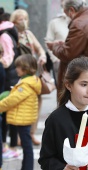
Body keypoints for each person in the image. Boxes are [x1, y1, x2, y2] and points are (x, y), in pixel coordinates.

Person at [38, 56, 88, 170]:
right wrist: (62, 168)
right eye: (84, 84)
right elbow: (46, 159)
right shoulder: (55, 120)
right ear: (69, 85)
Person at [46, 0, 88, 102]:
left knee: (79, 116)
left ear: (71, 10)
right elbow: (83, 48)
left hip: (83, 83)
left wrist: (54, 46)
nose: (67, 17)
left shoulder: (79, 23)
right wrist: (63, 45)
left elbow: (67, 54)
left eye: (66, 13)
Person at [10, 9, 46, 145]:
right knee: (20, 104)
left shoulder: (28, 34)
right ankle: (20, 136)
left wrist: (42, 56)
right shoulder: (11, 34)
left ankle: (31, 133)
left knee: (36, 102)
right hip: (18, 75)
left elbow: (39, 48)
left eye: (25, 18)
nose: (24, 21)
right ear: (14, 21)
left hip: (32, 73)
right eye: (20, 19)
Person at [0, 54, 41, 170]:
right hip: (25, 118)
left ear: (25, 68)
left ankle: (27, 168)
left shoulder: (26, 84)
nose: (16, 69)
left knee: (27, 146)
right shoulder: (28, 81)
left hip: (24, 119)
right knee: (26, 145)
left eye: (18, 67)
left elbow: (12, 100)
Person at [0, 7, 20, 160]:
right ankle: (9, 145)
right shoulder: (9, 31)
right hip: (11, 76)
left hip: (7, 77)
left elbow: (8, 58)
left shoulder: (4, 35)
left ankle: (8, 146)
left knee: (6, 113)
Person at [45, 0, 69, 87]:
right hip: (59, 62)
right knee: (62, 93)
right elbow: (48, 41)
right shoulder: (55, 22)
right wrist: (55, 60)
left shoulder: (80, 22)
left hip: (77, 63)